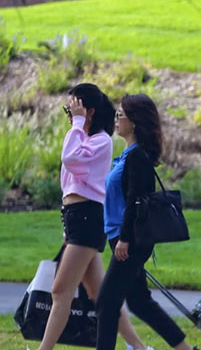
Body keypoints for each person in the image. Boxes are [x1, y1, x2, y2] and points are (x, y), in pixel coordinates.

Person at [37, 83, 149, 350]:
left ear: (89, 111)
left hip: (88, 219)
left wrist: (77, 124)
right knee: (100, 295)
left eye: (72, 108)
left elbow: (70, 160)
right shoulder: (82, 138)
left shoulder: (100, 141)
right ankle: (140, 347)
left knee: (60, 291)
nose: (69, 114)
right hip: (78, 219)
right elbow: (68, 184)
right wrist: (67, 225)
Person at [95, 94, 198, 350]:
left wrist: (125, 238)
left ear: (135, 122)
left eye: (121, 115)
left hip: (129, 241)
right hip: (122, 238)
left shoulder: (137, 157)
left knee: (107, 303)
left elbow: (136, 201)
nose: (116, 120)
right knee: (139, 301)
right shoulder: (130, 154)